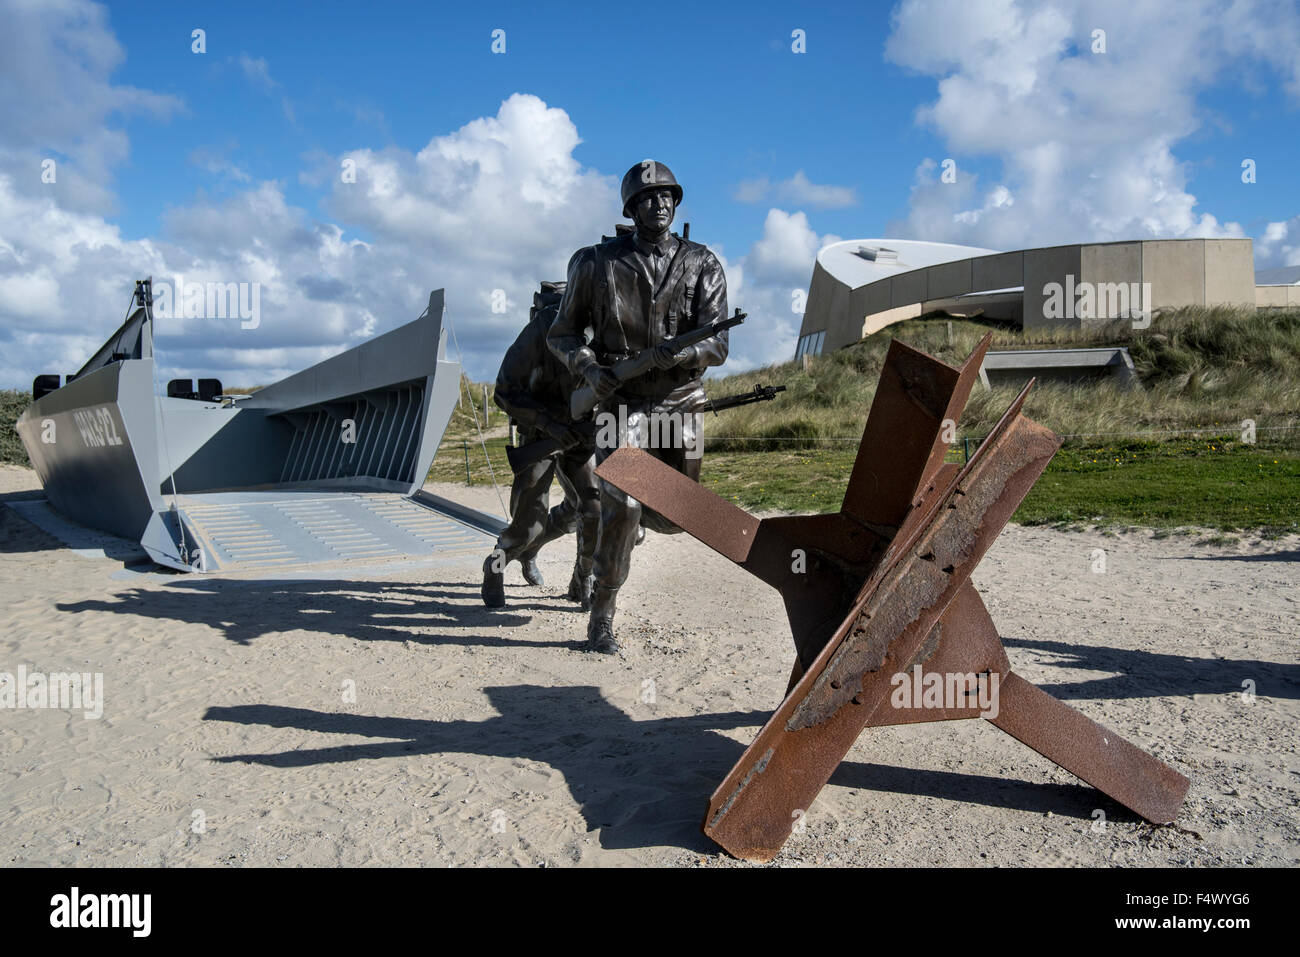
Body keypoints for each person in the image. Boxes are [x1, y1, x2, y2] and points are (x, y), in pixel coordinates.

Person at [547, 160, 730, 653]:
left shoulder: (702, 262)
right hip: (620, 402)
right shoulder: (596, 263)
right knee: (626, 502)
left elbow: (718, 345)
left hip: (679, 401)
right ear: (630, 208)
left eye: (667, 195)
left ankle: (621, 530)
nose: (659, 203)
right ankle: (602, 613)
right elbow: (562, 335)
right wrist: (589, 368)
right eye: (648, 198)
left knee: (676, 515)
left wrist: (684, 353)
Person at [481, 281, 599, 609]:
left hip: (581, 434)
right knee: (526, 529)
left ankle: (583, 579)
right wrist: (549, 424)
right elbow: (504, 391)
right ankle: (495, 565)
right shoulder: (541, 329)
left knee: (592, 508)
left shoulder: (606, 325)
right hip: (540, 434)